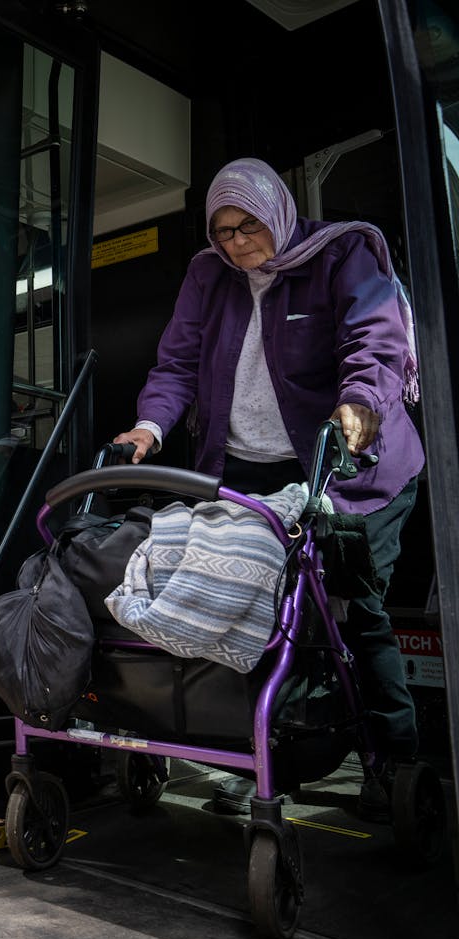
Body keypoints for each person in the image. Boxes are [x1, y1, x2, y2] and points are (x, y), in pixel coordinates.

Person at [112, 157, 425, 820]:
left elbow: (375, 338)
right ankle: (260, 760)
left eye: (246, 225)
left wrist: (361, 404)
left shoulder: (341, 254)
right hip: (250, 471)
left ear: (276, 210)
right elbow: (176, 363)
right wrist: (149, 426)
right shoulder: (207, 276)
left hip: (348, 466)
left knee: (352, 611)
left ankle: (397, 763)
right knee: (244, 609)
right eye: (221, 229)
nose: (234, 242)